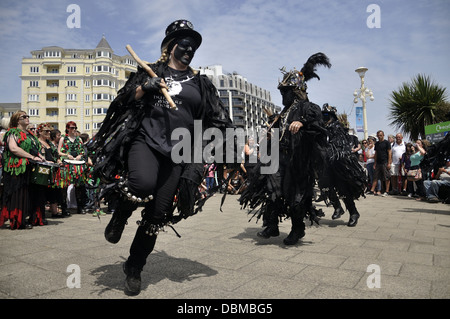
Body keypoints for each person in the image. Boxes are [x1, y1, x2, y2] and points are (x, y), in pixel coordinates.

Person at [87, 20, 234, 296]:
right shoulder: (151, 71)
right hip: (147, 141)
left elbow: (216, 119)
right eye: (184, 43)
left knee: (158, 214)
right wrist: (146, 87)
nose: (189, 49)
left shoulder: (200, 83)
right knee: (142, 183)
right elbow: (121, 101)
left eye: (193, 45)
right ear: (170, 46)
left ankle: (134, 267)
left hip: (179, 152)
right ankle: (120, 214)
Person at [240, 53, 330, 244]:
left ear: (295, 91)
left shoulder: (308, 107)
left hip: (298, 162)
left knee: (295, 199)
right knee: (271, 190)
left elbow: (319, 126)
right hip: (279, 159)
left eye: (286, 91)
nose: (283, 95)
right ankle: (272, 226)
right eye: (281, 92)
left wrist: (302, 123)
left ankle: (298, 229)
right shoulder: (283, 113)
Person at [318, 104, 367, 227]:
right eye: (322, 115)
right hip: (326, 164)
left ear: (332, 117)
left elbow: (341, 147)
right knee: (324, 186)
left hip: (339, 165)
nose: (323, 118)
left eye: (326, 115)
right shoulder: (321, 129)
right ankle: (338, 207)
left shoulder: (337, 128)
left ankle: (353, 213)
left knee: (343, 189)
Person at [0, 111, 44, 229]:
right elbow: (14, 148)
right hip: (16, 169)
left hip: (28, 168)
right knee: (17, 194)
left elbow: (35, 149)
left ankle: (25, 218)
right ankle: (17, 220)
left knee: (27, 194)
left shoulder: (30, 134)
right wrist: (31, 157)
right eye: (23, 117)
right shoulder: (12, 132)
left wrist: (41, 157)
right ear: (17, 120)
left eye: (27, 116)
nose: (27, 118)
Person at [33, 123, 61, 221]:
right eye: (46, 131)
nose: (49, 133)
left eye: (49, 131)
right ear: (40, 132)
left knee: (53, 190)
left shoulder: (49, 143)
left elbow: (55, 155)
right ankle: (40, 216)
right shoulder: (36, 142)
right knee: (41, 192)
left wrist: (58, 160)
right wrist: (45, 161)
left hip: (52, 169)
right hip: (42, 169)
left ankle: (54, 212)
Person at [58, 121, 87, 214]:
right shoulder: (63, 138)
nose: (73, 129)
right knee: (65, 186)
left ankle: (80, 207)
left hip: (78, 164)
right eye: (71, 128)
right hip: (67, 164)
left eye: (75, 127)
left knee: (79, 186)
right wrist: (67, 155)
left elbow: (82, 151)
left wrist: (80, 155)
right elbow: (59, 152)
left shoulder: (79, 139)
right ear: (67, 128)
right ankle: (64, 208)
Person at [369, 130, 392, 196]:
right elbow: (376, 153)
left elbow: (389, 152)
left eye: (381, 135)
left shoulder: (387, 143)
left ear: (383, 135)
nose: (379, 137)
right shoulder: (377, 144)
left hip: (385, 162)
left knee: (386, 177)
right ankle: (372, 190)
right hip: (378, 162)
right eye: (378, 135)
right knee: (375, 176)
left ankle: (387, 191)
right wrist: (375, 163)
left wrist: (389, 163)